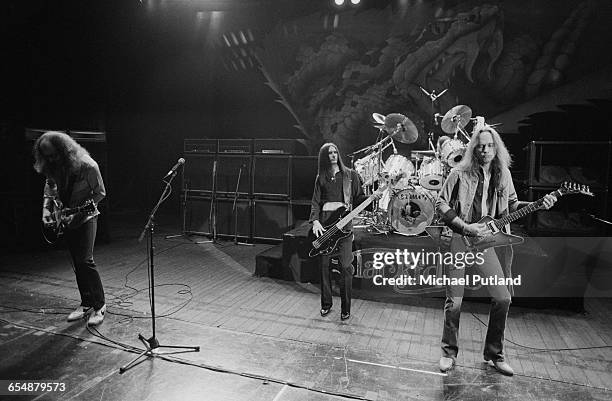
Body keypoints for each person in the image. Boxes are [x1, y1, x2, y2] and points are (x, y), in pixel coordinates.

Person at [435, 123, 556, 375]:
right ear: (473, 149)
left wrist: (537, 205)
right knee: (454, 302)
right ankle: (448, 352)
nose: (485, 150)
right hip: (461, 239)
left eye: (490, 146)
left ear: (496, 148)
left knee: (503, 297)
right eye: (480, 146)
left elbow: (511, 207)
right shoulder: (459, 173)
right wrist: (465, 227)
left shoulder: (504, 175)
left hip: (487, 244)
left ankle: (495, 354)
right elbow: (440, 203)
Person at [33, 131, 107, 326]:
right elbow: (50, 191)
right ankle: (86, 303)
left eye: (54, 155)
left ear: (64, 150)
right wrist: (50, 216)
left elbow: (100, 193)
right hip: (66, 217)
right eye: (46, 156)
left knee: (86, 260)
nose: (50, 159)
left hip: (87, 216)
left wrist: (78, 214)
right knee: (77, 262)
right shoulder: (52, 166)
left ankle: (100, 305)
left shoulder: (88, 165)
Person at [310, 143, 373, 321]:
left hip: (344, 230)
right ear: (324, 156)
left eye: (335, 152)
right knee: (324, 268)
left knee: (346, 268)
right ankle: (326, 305)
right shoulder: (320, 177)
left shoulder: (350, 176)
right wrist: (315, 221)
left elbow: (359, 197)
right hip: (325, 229)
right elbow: (315, 202)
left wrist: (372, 198)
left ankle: (346, 309)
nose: (333, 155)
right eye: (329, 153)